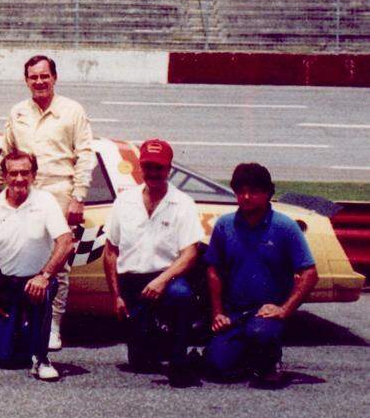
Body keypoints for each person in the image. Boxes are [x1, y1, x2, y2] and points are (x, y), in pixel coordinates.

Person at [0, 54, 95, 351]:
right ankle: (21, 321)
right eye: (33, 77)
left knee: (57, 263)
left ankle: (52, 326)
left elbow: (85, 155)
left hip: (59, 189)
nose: (39, 81)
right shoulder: (18, 111)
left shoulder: (72, 110)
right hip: (23, 188)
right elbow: (7, 156)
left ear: (54, 77)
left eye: (44, 76)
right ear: (26, 80)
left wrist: (78, 196)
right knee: (20, 254)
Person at [205, 163, 318, 385]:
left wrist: (284, 310)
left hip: (266, 314)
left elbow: (310, 273)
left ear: (268, 193)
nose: (246, 197)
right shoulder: (224, 225)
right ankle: (246, 357)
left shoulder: (285, 227)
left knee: (261, 335)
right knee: (217, 367)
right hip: (234, 312)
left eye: (254, 191)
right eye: (241, 191)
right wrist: (218, 312)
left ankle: (270, 359)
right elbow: (212, 269)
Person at [102, 139, 202, 386]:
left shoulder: (183, 203)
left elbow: (190, 253)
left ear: (169, 169)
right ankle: (157, 341)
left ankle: (179, 361)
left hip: (166, 279)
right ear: (141, 167)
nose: (154, 173)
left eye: (159, 168)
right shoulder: (124, 202)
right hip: (132, 283)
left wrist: (161, 281)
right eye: (148, 167)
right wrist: (116, 296)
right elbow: (111, 251)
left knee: (181, 295)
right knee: (141, 361)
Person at [0, 150, 73, 381]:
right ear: (5, 177)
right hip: (6, 286)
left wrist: (44, 276)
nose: (19, 179)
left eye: (25, 173)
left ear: (34, 175)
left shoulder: (45, 201)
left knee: (43, 292)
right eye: (13, 173)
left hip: (36, 281)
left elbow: (66, 243)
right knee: (5, 358)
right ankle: (24, 334)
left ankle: (42, 358)